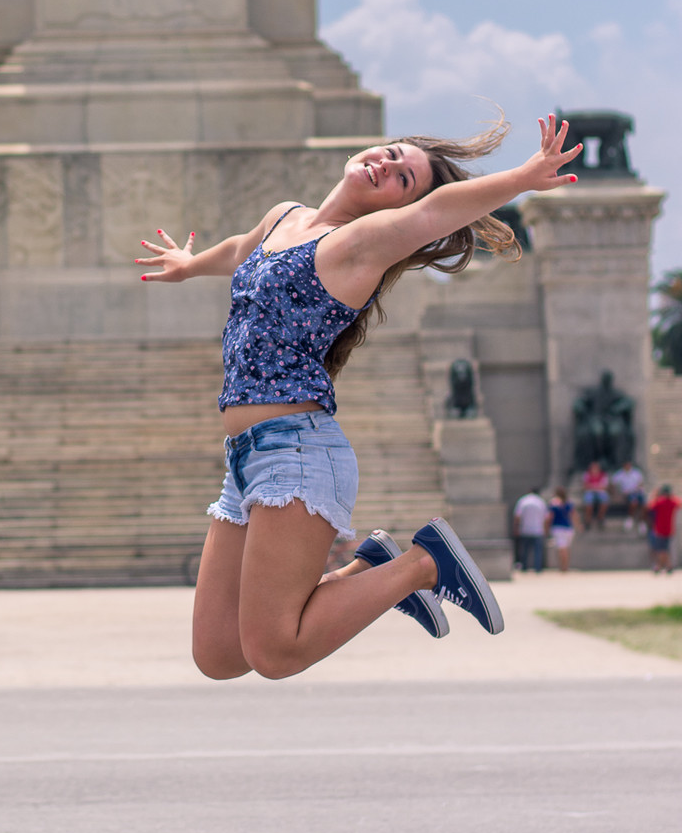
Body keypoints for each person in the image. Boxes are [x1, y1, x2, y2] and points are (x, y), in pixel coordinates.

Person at [137, 114, 581, 680]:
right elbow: (239, 251)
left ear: (396, 208)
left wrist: (524, 175)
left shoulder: (360, 245)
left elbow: (436, 213)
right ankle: (372, 566)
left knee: (276, 652)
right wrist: (187, 266)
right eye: (392, 153)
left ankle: (424, 565)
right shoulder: (284, 217)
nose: (387, 165)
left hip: (296, 457)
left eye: (402, 178)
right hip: (247, 459)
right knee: (219, 653)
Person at [513, 487, 550, 574]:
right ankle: (538, 569)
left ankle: (524, 567)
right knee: (538, 552)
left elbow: (517, 516)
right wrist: (546, 530)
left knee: (524, 551)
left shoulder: (523, 501)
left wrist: (516, 528)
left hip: (525, 529)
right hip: (538, 530)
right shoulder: (541, 502)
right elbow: (546, 518)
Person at [646, 485, 679, 575]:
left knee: (661, 549)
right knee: (665, 549)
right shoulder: (672, 502)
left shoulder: (660, 502)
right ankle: (665, 566)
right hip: (669, 529)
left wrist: (655, 495)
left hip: (660, 529)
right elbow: (679, 503)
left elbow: (650, 506)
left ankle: (663, 566)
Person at [610, 460, 646, 530]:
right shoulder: (620, 474)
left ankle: (642, 521)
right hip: (627, 493)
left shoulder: (636, 473)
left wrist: (637, 488)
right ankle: (630, 518)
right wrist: (616, 493)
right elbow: (612, 483)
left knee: (644, 505)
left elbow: (641, 483)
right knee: (634, 503)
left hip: (637, 492)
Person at [546, 488, 574, 574]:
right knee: (566, 548)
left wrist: (546, 527)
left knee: (561, 548)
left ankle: (563, 567)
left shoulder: (554, 503)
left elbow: (550, 516)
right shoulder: (569, 503)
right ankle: (566, 566)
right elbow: (573, 515)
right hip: (568, 527)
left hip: (558, 527)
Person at [580, 460, 609, 530]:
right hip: (590, 491)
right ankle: (588, 520)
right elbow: (584, 486)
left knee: (605, 500)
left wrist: (593, 486)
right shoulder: (587, 474)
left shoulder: (603, 474)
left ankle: (600, 518)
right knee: (588, 502)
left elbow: (605, 486)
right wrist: (595, 486)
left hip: (600, 492)